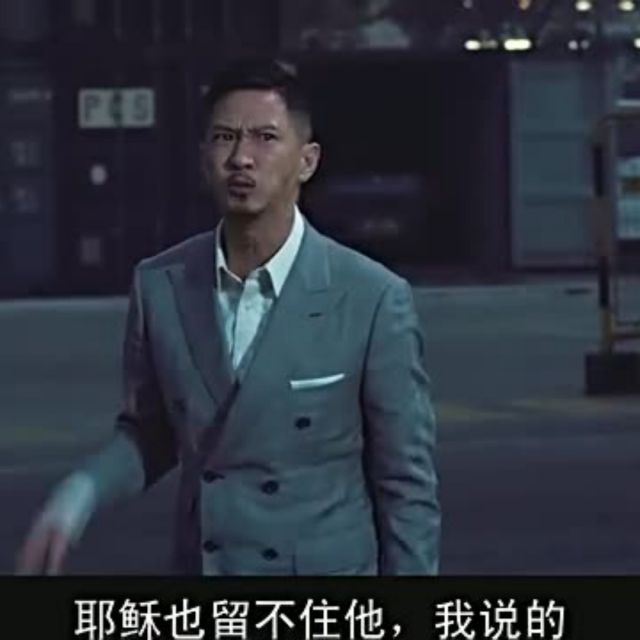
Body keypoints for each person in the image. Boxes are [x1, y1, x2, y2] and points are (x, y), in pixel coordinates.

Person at [16, 57, 440, 576]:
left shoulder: (371, 297)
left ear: (306, 161)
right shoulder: (161, 284)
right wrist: (78, 495)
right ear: (203, 157)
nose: (241, 158)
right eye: (224, 138)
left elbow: (406, 487)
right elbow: (152, 433)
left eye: (266, 138)